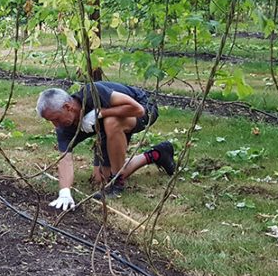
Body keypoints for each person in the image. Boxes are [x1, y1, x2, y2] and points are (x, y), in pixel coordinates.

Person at [35, 81, 176, 209]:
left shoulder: (92, 93)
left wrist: (100, 113)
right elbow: (65, 159)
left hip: (142, 106)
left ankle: (117, 183)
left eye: (56, 119)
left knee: (111, 122)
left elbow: (138, 109)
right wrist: (64, 192)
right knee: (101, 178)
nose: (55, 124)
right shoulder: (64, 128)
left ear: (67, 107)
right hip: (107, 125)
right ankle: (158, 154)